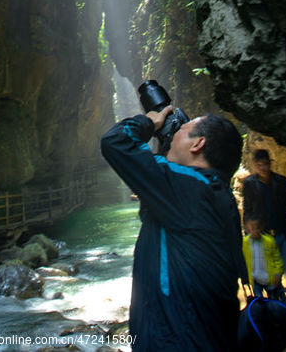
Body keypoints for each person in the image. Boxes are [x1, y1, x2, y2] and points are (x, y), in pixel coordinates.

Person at [101, 106, 247, 352]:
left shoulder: (190, 187)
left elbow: (116, 141)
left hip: (176, 340)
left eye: (182, 130)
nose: (174, 132)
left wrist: (149, 122)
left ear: (198, 144)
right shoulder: (213, 192)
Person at [242, 149, 286, 314]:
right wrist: (248, 232)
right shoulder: (250, 184)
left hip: (284, 233)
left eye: (265, 164)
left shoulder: (281, 181)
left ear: (270, 163)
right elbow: (248, 210)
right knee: (270, 279)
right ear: (255, 165)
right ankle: (274, 313)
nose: (263, 168)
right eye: (259, 165)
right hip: (264, 238)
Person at [243, 216, 286, 302]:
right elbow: (243, 260)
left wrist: (278, 273)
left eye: (257, 228)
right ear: (247, 229)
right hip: (255, 280)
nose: (255, 231)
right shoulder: (245, 243)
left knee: (275, 302)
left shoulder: (269, 241)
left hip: (270, 279)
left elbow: (277, 259)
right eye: (252, 228)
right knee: (259, 303)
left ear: (261, 228)